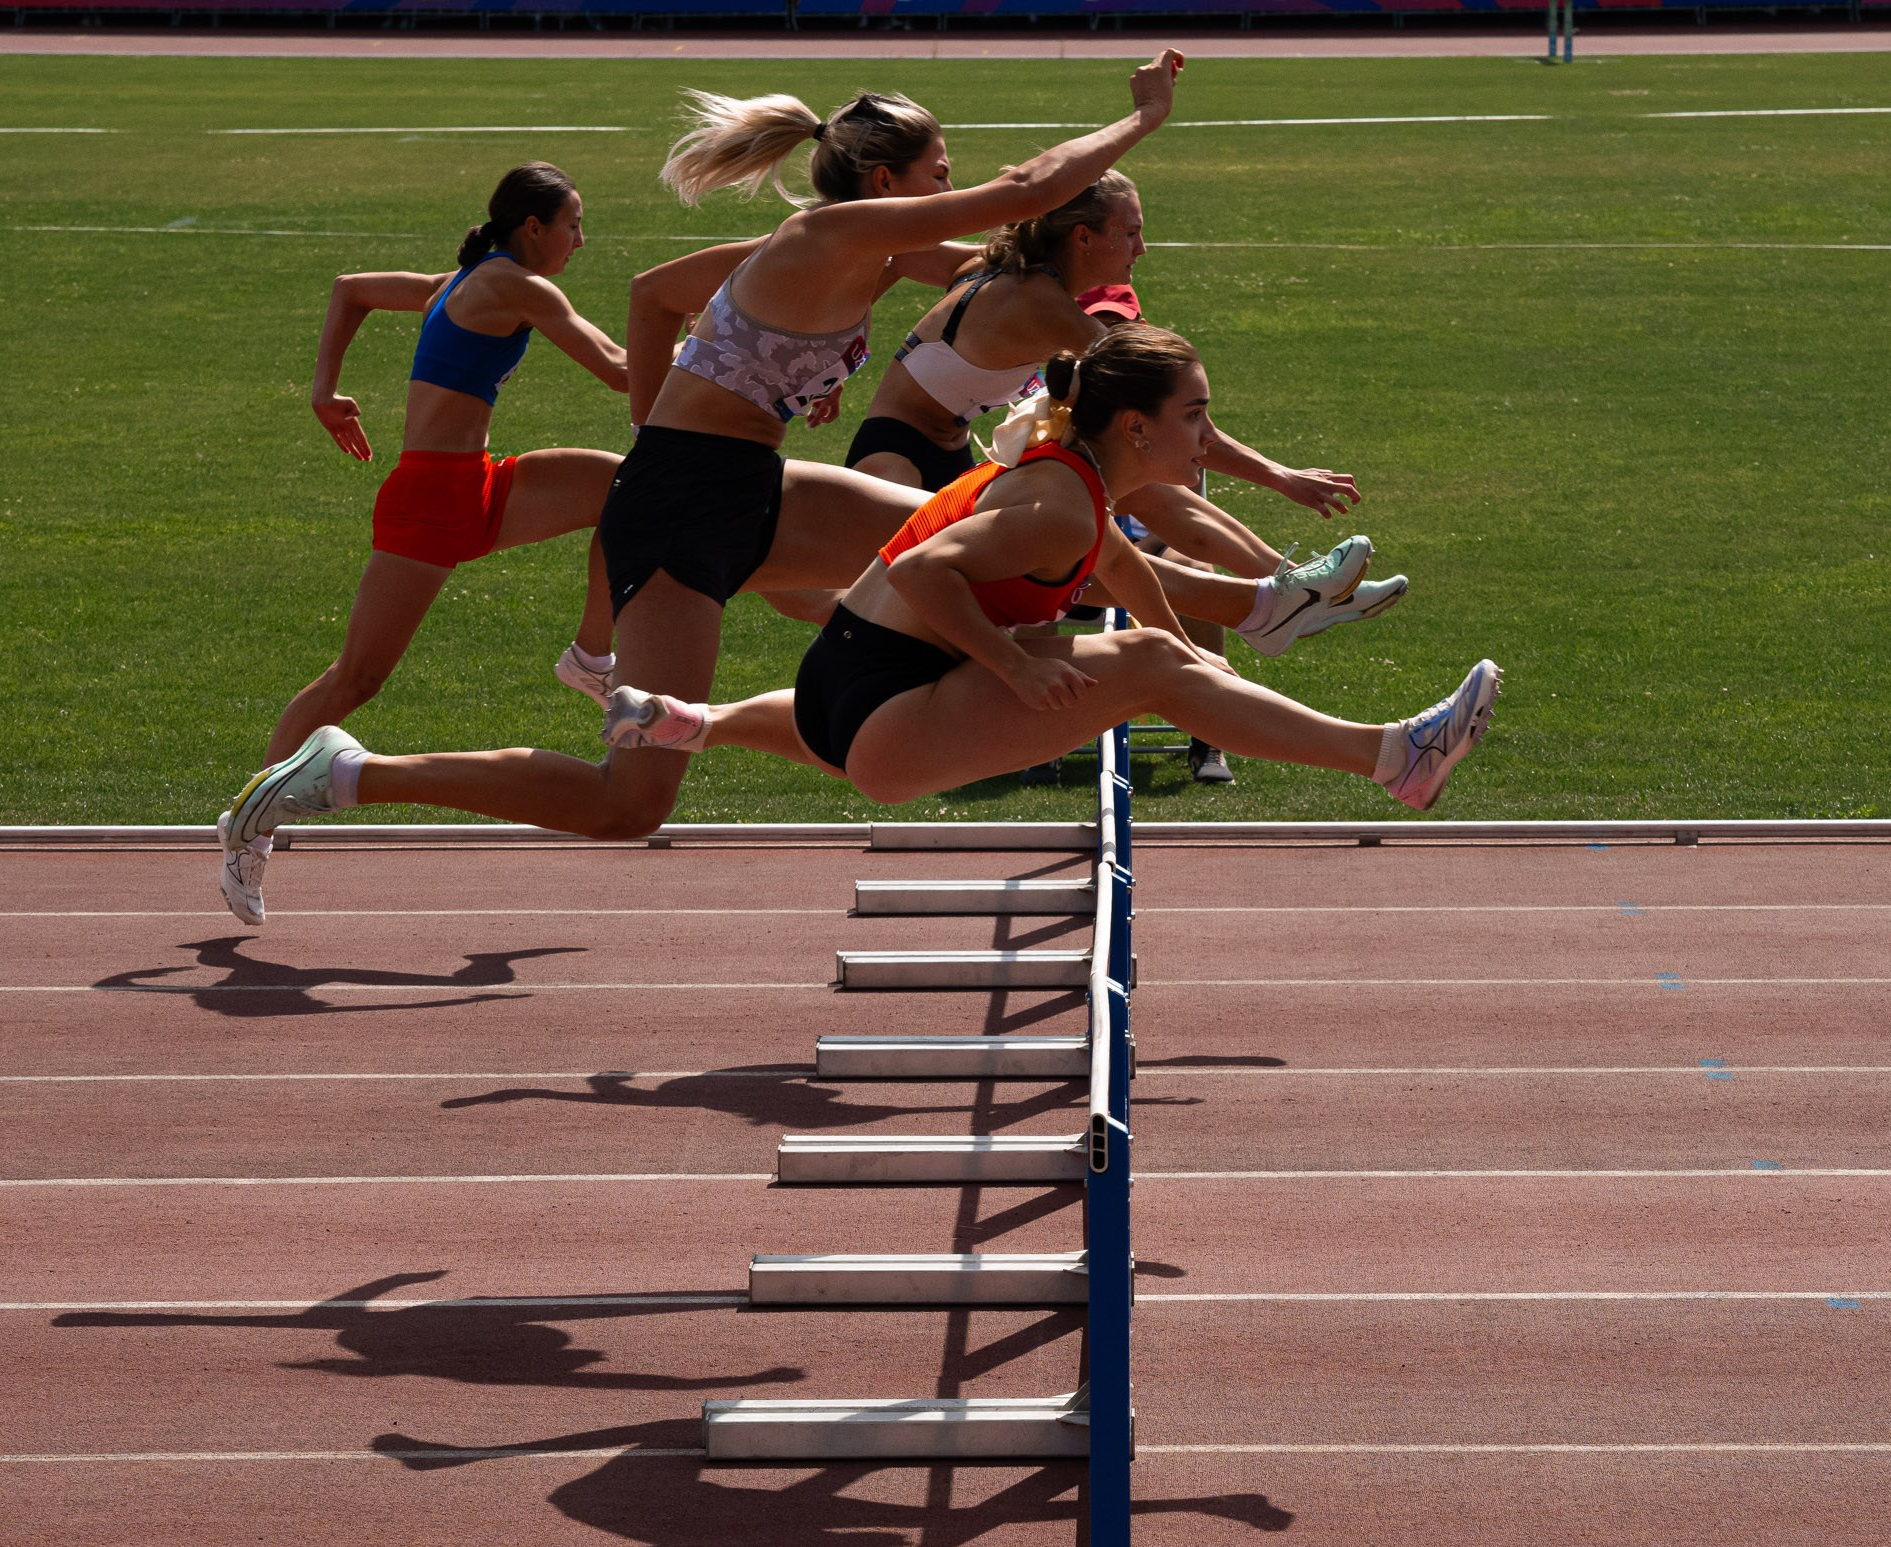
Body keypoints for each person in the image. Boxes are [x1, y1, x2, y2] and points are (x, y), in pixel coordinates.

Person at [217, 56, 1192, 909]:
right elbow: (1023, 192)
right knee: (627, 801)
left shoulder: (872, 256)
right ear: (886, 180)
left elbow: (666, 296)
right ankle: (348, 773)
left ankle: (1231, 620)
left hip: (747, 488)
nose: (956, 181)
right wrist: (1141, 121)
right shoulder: (826, 238)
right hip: (686, 502)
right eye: (941, 170)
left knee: (999, 534)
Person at [599, 326, 1498, 813]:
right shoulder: (1061, 498)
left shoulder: (1072, 477)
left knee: (1161, 654)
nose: (1208, 438)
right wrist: (1016, 664)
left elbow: (1119, 568)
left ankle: (698, 723)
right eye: (1197, 416)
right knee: (1145, 670)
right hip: (878, 717)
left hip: (828, 699)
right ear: (1136, 428)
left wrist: (1193, 647)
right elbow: (921, 575)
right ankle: (1394, 759)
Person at [845, 174, 1401, 784]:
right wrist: (1279, 477)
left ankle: (1290, 592)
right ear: (1084, 238)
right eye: (1131, 232)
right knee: (1125, 488)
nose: (1142, 249)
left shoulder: (1013, 268)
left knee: (1122, 499)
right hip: (897, 456)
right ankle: (1286, 596)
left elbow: (896, 254)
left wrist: (845, 345)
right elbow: (1158, 408)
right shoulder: (1043, 303)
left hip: (952, 452)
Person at [218, 162, 632, 924]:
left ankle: (590, 658)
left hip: (477, 481)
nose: (582, 238)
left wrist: (325, 390)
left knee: (629, 492)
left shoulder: (458, 280)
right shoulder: (515, 286)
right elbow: (617, 371)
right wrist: (733, 357)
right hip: (430, 500)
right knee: (355, 679)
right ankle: (251, 822)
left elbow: (351, 288)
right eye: (574, 223)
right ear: (532, 229)